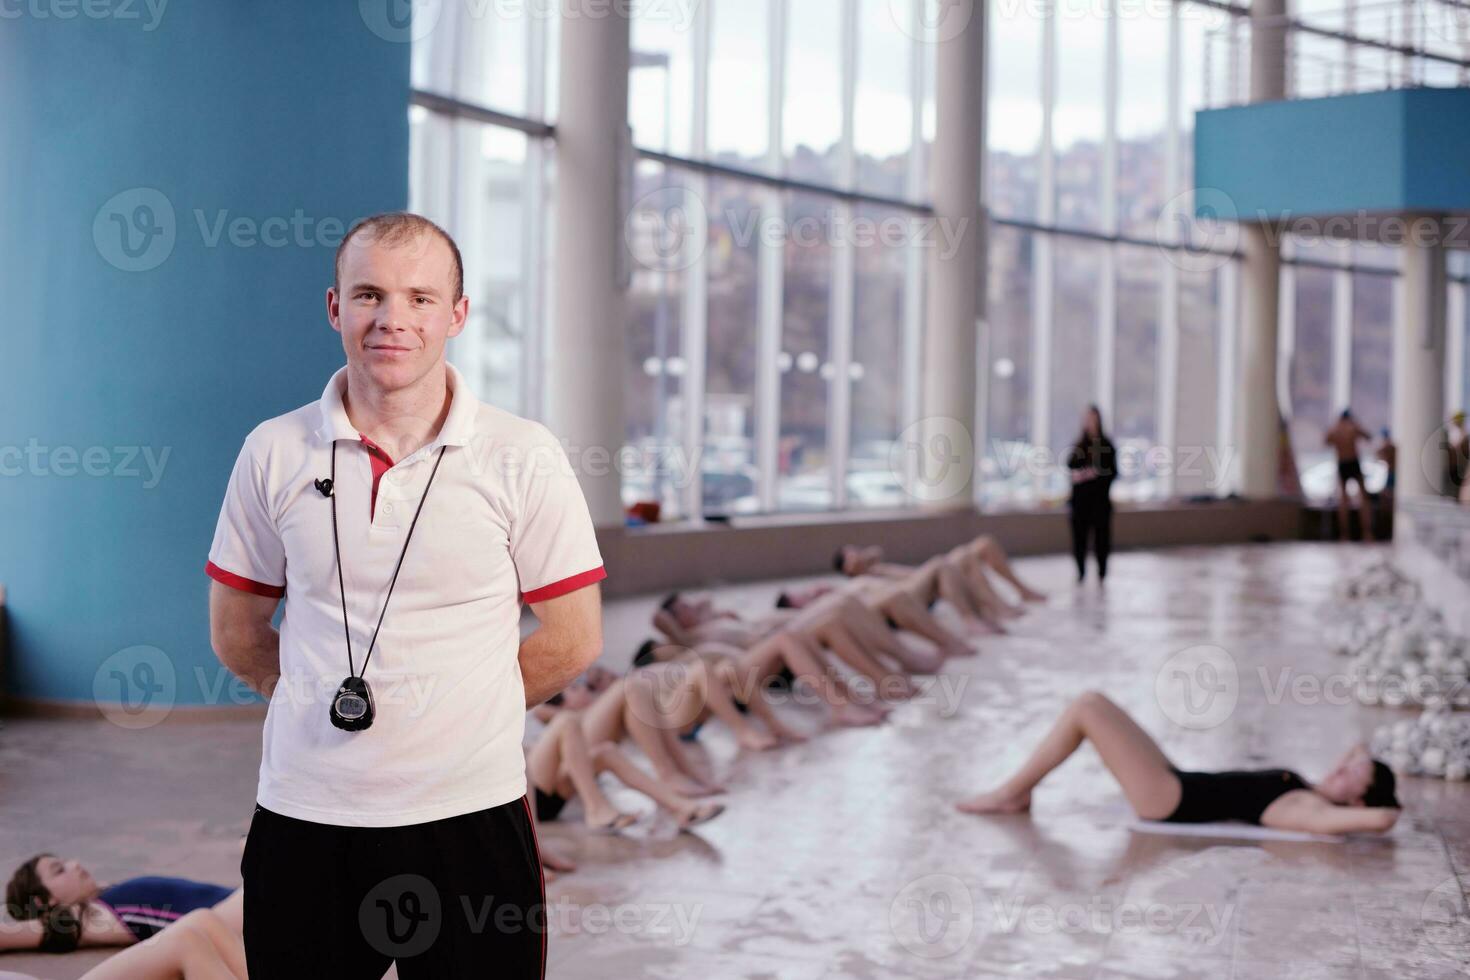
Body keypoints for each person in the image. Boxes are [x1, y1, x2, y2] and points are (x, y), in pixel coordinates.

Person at [205, 213, 606, 977]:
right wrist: (312, 699)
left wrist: (456, 714)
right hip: (306, 815)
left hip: (470, 817)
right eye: (370, 295)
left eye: (421, 299)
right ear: (335, 309)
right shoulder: (272, 450)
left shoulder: (523, 455)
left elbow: (574, 637)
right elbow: (237, 630)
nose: (394, 319)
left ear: (456, 314)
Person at [955, 692, 1402, 835]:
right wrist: (1362, 770)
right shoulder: (1312, 787)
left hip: (1168, 799)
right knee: (1092, 703)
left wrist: (1374, 811)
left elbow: (1379, 818)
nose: (1341, 768)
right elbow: (1358, 750)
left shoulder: (1308, 808)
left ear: (1356, 801)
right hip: (1177, 781)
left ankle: (1012, 791)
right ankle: (1016, 790)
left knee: (1087, 708)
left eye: (1350, 778)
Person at [2, 855, 244, 979]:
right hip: (229, 914)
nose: (74, 864)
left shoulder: (105, 897)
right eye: (59, 870)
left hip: (226, 913)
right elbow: (14, 934)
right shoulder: (90, 915)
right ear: (42, 901)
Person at [1067, 406, 1116, 582]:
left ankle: (1102, 573)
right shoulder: (1079, 446)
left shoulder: (1106, 446)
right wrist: (1084, 474)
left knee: (1102, 540)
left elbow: (1112, 472)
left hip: (1100, 503)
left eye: (1093, 418)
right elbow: (1071, 469)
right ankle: (1081, 572)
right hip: (1080, 503)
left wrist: (1094, 475)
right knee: (1079, 539)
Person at [1325, 408, 1375, 541]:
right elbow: (1368, 437)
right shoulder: (1353, 427)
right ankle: (1367, 533)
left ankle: (1344, 535)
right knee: (1364, 499)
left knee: (1343, 500)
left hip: (1342, 464)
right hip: (1353, 463)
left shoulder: (1335, 429)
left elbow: (1326, 442)